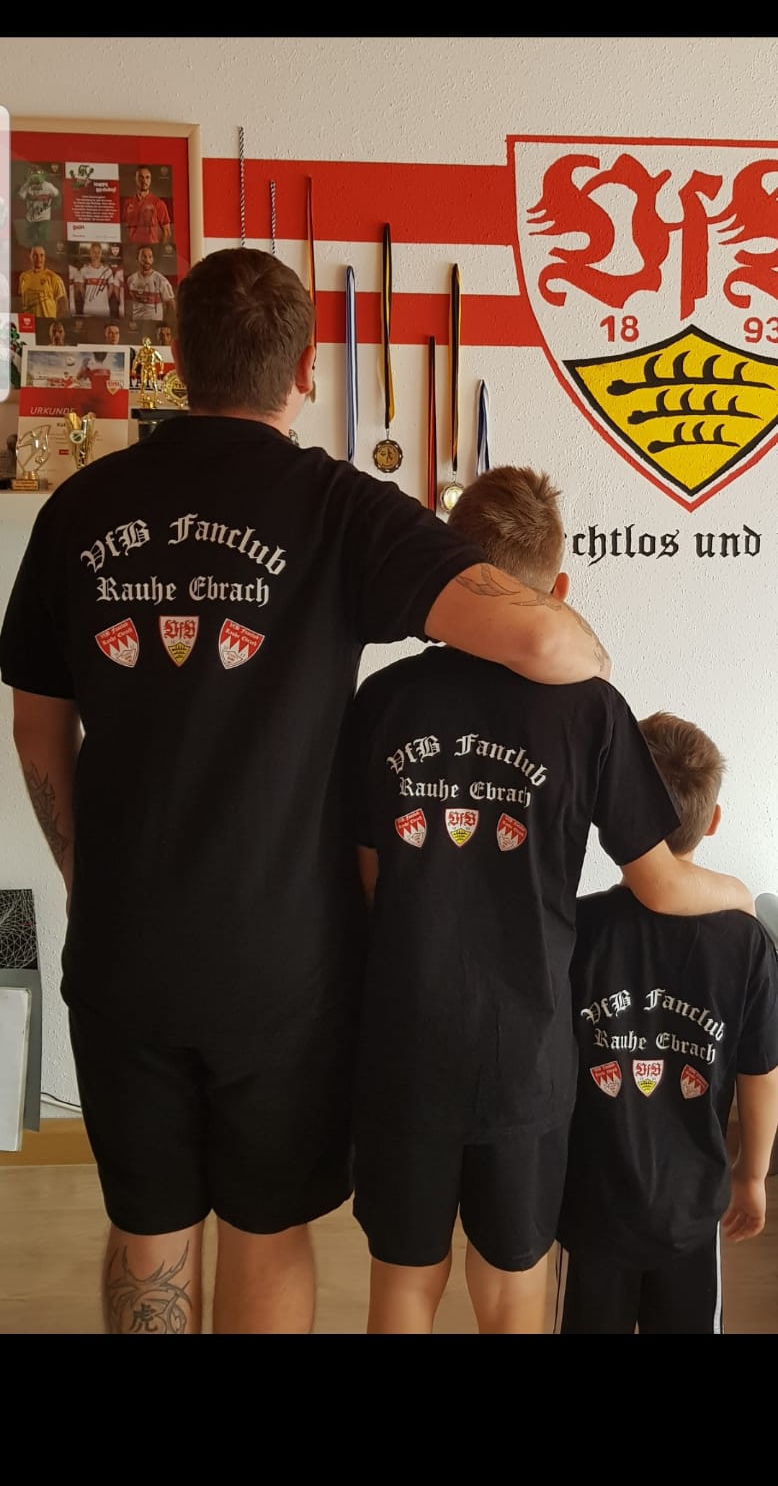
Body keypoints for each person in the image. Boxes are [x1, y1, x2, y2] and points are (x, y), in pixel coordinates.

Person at [0, 248, 615, 1338]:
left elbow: (38, 728)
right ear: (306, 370)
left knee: (149, 1232)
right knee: (267, 1229)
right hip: (281, 966)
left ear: (177, 356)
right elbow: (549, 643)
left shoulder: (79, 507)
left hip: (125, 944)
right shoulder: (338, 509)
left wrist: (89, 878)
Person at [347, 466, 754, 1335]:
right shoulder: (590, 710)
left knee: (404, 1282)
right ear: (558, 589)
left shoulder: (382, 699)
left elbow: (369, 878)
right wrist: (739, 896)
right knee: (512, 1285)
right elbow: (659, 882)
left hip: (404, 1043)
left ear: (453, 569)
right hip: (523, 1058)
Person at [555, 711, 778, 1335]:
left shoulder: (575, 929)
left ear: (611, 817)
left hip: (593, 1201)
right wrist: (752, 1174)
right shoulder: (746, 942)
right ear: (713, 820)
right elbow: (762, 1073)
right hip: (690, 1209)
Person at [70, 242, 123, 319]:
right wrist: (86, 299)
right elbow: (81, 287)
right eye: (94, 252)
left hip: (104, 309)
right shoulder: (84, 270)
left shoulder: (108, 270)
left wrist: (104, 299)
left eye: (98, 252)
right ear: (90, 253)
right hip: (88, 308)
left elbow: (111, 287)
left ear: (101, 254)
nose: (96, 255)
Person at [122, 166, 172, 245]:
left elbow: (167, 232)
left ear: (150, 180)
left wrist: (158, 248)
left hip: (151, 247)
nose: (144, 181)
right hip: (132, 247)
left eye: (147, 177)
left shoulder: (158, 203)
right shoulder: (128, 203)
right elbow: (124, 230)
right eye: (141, 177)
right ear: (135, 178)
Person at [126, 245, 175, 322]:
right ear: (137, 258)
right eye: (144, 256)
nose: (147, 260)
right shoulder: (130, 279)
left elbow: (171, 305)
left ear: (153, 259)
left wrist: (165, 322)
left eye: (150, 257)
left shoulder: (161, 280)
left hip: (155, 323)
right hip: (137, 323)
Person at [18, 245, 66, 318]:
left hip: (46, 322)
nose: (39, 258)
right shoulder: (23, 277)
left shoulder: (54, 278)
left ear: (45, 258)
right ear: (30, 257)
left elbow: (63, 305)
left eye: (41, 255)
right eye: (35, 255)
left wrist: (53, 320)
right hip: (29, 322)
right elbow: (21, 302)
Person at [17, 168, 60, 244]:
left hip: (44, 216)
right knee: (30, 238)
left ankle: (42, 248)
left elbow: (57, 193)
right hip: (31, 216)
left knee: (43, 236)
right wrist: (27, 185)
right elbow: (21, 196)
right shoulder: (27, 185)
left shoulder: (48, 186)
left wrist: (56, 203)